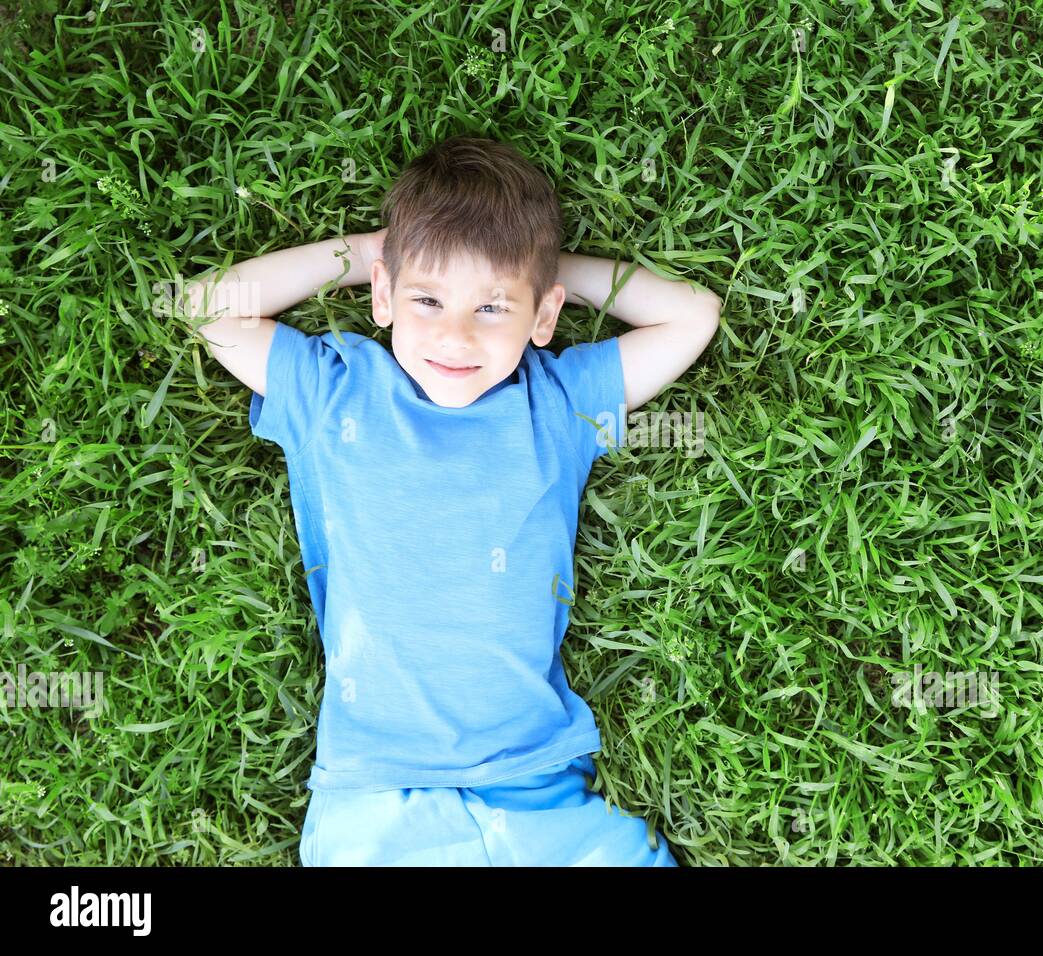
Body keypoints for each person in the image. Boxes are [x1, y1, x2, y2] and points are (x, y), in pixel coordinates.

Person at [181, 134, 720, 865]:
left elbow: (693, 315)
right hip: (375, 793)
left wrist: (539, 268)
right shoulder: (334, 391)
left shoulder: (558, 402)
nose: (455, 334)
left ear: (544, 317)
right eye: (426, 298)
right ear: (383, 295)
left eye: (493, 308)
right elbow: (208, 306)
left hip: (535, 784)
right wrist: (370, 251)